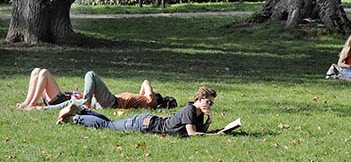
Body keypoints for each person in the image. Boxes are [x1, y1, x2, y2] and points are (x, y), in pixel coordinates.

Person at [57, 86, 223, 137]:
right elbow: (192, 134)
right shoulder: (190, 109)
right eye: (208, 101)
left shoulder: (199, 113)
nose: (210, 105)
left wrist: (209, 122)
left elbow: (199, 131)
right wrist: (214, 135)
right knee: (108, 126)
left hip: (149, 121)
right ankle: (75, 118)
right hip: (145, 124)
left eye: (212, 103)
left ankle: (79, 110)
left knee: (110, 123)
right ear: (199, 99)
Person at [42, 71, 168, 110]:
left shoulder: (151, 101)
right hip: (105, 103)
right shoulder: (143, 100)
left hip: (112, 102)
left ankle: (86, 100)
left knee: (90, 75)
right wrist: (141, 95)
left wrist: (151, 92)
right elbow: (143, 88)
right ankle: (38, 108)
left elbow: (146, 82)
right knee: (72, 102)